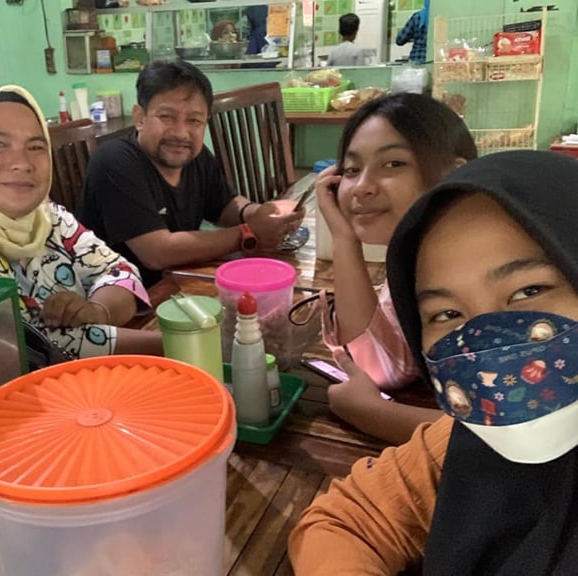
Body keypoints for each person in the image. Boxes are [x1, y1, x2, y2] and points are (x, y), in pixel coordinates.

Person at [289, 150, 578, 574]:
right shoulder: (466, 446)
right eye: (447, 314)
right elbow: (345, 521)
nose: (486, 349)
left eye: (528, 291)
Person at [0, 85, 163, 361]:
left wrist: (98, 310)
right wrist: (176, 343)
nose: (22, 163)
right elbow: (33, 345)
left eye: (36, 147)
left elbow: (119, 270)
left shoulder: (44, 215)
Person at [314, 92, 477, 444]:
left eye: (393, 164)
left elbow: (511, 436)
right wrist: (344, 238)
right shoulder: (417, 256)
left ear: (454, 174)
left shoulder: (485, 274)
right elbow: (381, 365)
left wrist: (374, 414)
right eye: (352, 170)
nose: (361, 188)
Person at [78, 59, 304, 287]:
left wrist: (259, 213)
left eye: (194, 120)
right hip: (124, 299)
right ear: (140, 118)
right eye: (167, 116)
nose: (180, 133)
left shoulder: (195, 155)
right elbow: (157, 253)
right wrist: (249, 233)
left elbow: (223, 205)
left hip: (180, 283)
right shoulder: (114, 161)